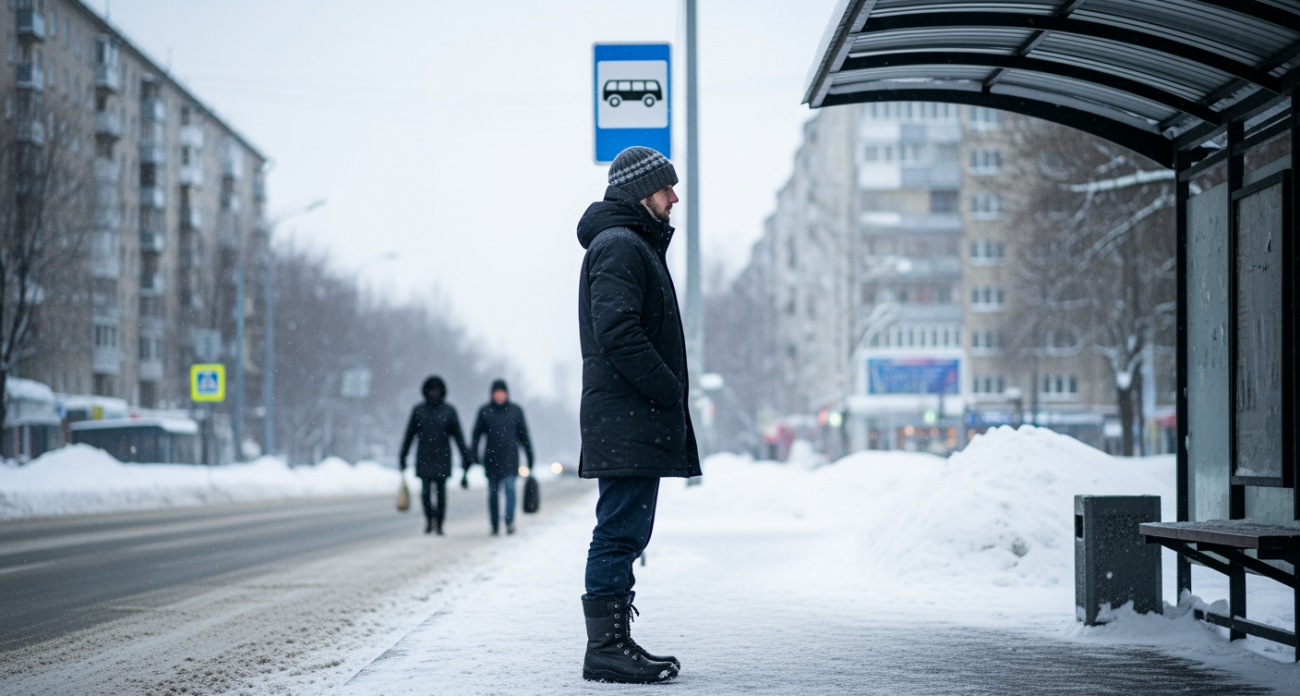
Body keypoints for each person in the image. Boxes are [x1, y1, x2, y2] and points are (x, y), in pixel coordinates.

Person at [573, 146, 700, 684]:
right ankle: (605, 649)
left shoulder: (630, 244)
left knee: (625, 531)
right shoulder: (621, 245)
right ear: (639, 192)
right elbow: (618, 332)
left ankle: (614, 642)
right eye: (665, 189)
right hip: (628, 416)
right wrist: (668, 389)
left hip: (629, 417)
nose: (674, 199)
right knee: (619, 532)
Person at [399, 375, 473, 535]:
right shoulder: (418, 411)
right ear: (426, 392)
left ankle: (439, 523)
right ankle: (429, 519)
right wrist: (402, 455)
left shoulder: (449, 411)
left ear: (442, 392)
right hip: (424, 457)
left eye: (437, 390)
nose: (434, 393)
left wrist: (466, 457)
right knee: (425, 494)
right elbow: (409, 435)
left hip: (443, 458)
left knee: (441, 495)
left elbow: (458, 436)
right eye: (431, 390)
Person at [468, 378, 534, 535]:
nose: (499, 395)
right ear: (492, 394)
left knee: (510, 490)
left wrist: (530, 456)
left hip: (511, 459)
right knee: (493, 494)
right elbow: (476, 435)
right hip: (491, 459)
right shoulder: (484, 411)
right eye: (496, 392)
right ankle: (494, 524)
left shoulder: (515, 411)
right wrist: (473, 455)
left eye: (501, 392)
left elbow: (524, 436)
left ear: (506, 393)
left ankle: (509, 521)